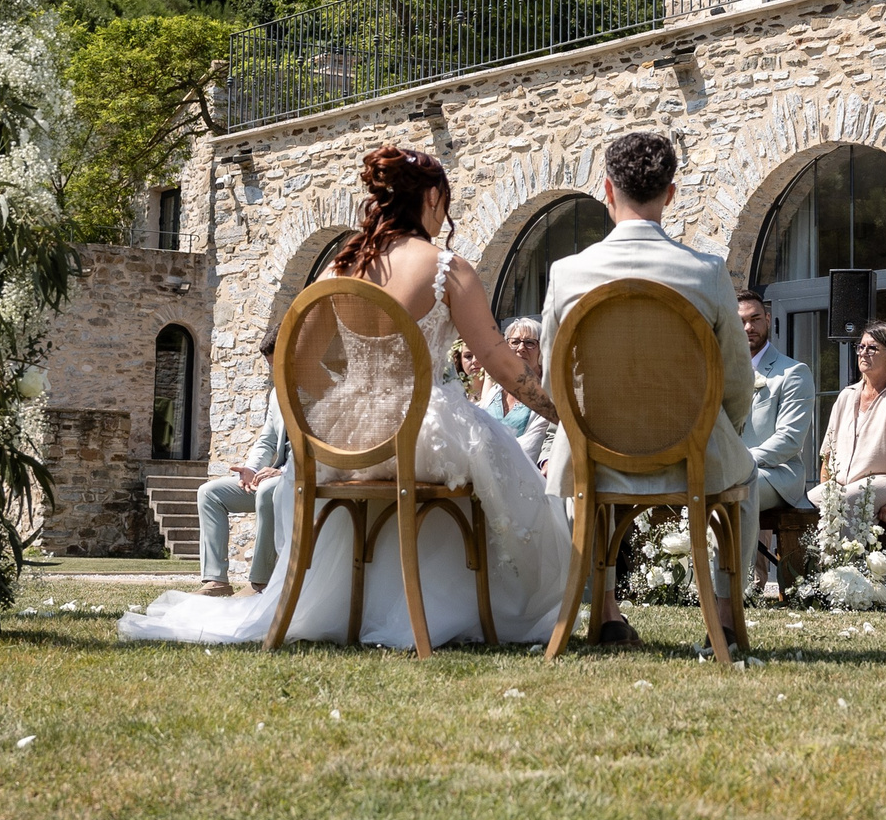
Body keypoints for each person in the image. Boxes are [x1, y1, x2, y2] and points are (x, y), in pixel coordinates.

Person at [121, 145, 569, 649]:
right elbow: (500, 362)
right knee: (511, 477)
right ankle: (457, 609)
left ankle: (353, 607)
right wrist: (561, 412)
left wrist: (345, 410)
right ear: (433, 199)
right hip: (424, 435)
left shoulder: (341, 268)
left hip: (347, 440)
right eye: (447, 201)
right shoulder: (447, 268)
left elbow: (300, 365)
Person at [533, 132, 752, 648]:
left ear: (607, 190)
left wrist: (591, 433)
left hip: (595, 456)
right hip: (690, 453)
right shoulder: (706, 272)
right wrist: (719, 435)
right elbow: (738, 380)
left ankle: (606, 612)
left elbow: (551, 383)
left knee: (578, 478)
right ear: (671, 194)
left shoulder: (567, 275)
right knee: (747, 476)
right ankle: (723, 616)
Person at [738, 291, 817, 590]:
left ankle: (737, 587)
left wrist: (741, 462)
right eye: (741, 322)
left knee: (738, 488)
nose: (749, 328)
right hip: (731, 469)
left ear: (768, 320)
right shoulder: (721, 373)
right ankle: (686, 582)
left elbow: (790, 440)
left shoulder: (793, 372)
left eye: (755, 319)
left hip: (777, 473)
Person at [811, 322, 886, 524]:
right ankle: (804, 556)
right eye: (861, 347)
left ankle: (842, 556)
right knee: (804, 505)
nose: (863, 353)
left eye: (872, 348)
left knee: (844, 502)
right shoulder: (847, 395)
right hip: (844, 486)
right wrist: (825, 488)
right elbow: (828, 453)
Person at [193, 375, 288, 597]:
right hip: (274, 481)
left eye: (278, 364)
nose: (276, 371)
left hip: (304, 480)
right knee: (209, 493)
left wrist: (282, 471)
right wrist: (252, 469)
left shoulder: (324, 389)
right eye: (271, 366)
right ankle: (216, 581)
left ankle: (261, 583)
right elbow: (267, 441)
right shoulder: (276, 394)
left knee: (266, 489)